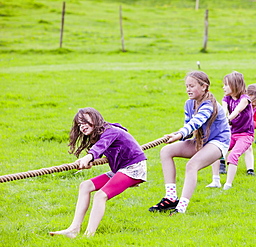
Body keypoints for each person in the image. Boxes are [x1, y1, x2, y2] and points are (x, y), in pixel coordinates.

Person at [49, 107, 147, 238]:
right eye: (79, 124)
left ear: (95, 118)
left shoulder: (110, 131)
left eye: (85, 121)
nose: (82, 126)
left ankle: (89, 235)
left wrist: (89, 156)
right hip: (120, 169)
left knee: (100, 196)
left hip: (133, 168)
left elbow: (100, 147)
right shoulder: (101, 134)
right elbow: (102, 149)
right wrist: (91, 160)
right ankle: (74, 229)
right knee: (85, 186)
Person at [148, 71, 231, 215]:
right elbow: (189, 127)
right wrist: (178, 136)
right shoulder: (189, 104)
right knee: (166, 151)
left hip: (218, 142)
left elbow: (196, 122)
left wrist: (180, 133)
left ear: (204, 87)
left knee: (192, 165)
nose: (188, 89)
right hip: (200, 141)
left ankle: (181, 207)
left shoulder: (210, 104)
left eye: (192, 86)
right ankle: (171, 198)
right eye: (187, 86)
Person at [206, 71, 254, 190]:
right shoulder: (226, 98)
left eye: (226, 85)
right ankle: (215, 181)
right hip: (232, 133)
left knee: (233, 155)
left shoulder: (245, 99)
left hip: (245, 135)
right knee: (215, 151)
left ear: (235, 85)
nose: (223, 87)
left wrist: (227, 120)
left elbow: (237, 111)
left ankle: (228, 185)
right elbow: (225, 109)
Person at [244, 83, 256, 176]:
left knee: (249, 148)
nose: (255, 104)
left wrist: (251, 123)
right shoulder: (241, 104)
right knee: (228, 147)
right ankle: (222, 164)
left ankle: (250, 170)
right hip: (234, 130)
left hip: (246, 132)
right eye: (254, 101)